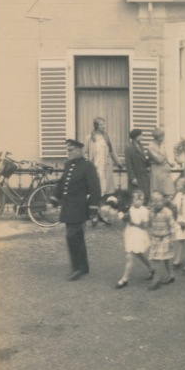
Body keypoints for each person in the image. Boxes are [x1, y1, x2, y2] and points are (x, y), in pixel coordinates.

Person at [50, 139, 101, 281]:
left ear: (79, 151)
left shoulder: (88, 166)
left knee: (72, 237)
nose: (68, 153)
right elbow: (62, 183)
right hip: (68, 207)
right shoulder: (69, 165)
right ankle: (83, 266)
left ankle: (77, 268)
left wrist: (93, 211)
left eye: (71, 150)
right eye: (68, 150)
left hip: (79, 208)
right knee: (77, 238)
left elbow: (95, 190)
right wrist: (54, 199)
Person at [116, 189, 154, 288]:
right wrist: (123, 217)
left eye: (141, 199)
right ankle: (151, 268)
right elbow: (122, 216)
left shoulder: (144, 210)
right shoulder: (129, 208)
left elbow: (145, 225)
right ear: (132, 200)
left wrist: (133, 223)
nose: (139, 201)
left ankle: (124, 279)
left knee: (129, 256)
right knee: (139, 254)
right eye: (136, 199)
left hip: (138, 235)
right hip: (130, 233)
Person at [84, 117, 120, 214]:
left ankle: (103, 209)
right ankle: (95, 209)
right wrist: (88, 163)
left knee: (105, 188)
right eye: (101, 124)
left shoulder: (106, 137)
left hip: (105, 167)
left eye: (104, 124)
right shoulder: (89, 138)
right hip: (95, 167)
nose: (104, 126)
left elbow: (112, 151)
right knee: (96, 188)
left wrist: (118, 162)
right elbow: (85, 152)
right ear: (96, 126)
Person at [147, 191, 176, 288]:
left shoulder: (167, 212)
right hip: (155, 237)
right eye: (154, 201)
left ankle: (157, 278)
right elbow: (150, 224)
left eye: (159, 201)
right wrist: (150, 234)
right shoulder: (151, 212)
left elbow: (172, 226)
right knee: (164, 258)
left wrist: (172, 238)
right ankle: (171, 275)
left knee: (157, 258)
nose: (157, 203)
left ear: (163, 201)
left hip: (165, 238)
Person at [146, 128, 175, 197]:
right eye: (162, 136)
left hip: (165, 169)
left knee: (167, 189)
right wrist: (164, 156)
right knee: (157, 189)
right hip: (156, 169)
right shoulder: (151, 147)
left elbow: (165, 156)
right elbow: (159, 159)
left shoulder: (162, 145)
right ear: (158, 137)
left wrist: (169, 163)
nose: (163, 138)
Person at [124, 129, 150, 202]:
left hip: (143, 174)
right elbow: (128, 164)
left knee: (145, 194)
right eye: (140, 135)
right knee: (135, 194)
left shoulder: (141, 146)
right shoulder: (129, 148)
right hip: (135, 174)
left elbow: (143, 159)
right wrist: (132, 177)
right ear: (136, 136)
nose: (142, 137)